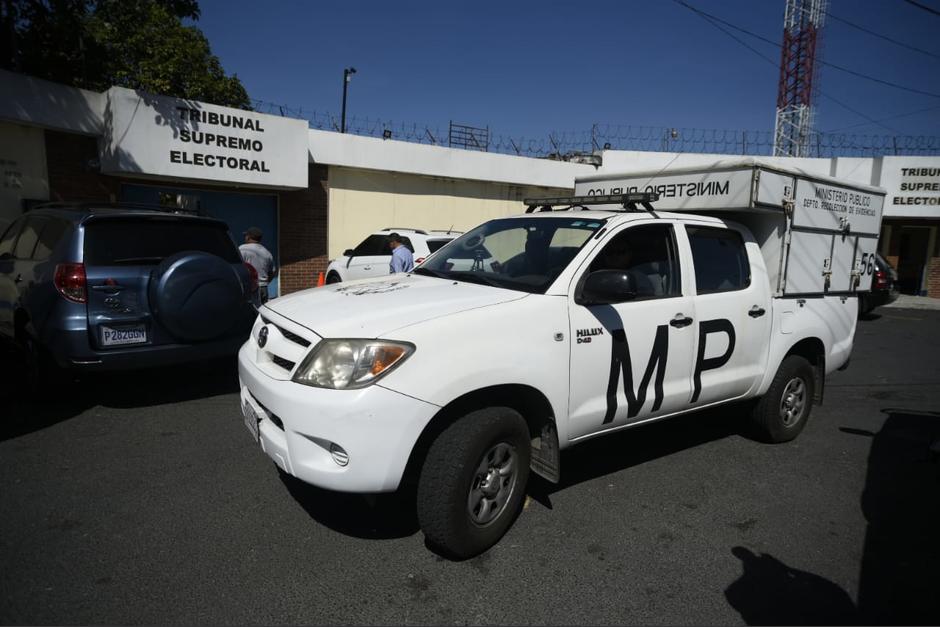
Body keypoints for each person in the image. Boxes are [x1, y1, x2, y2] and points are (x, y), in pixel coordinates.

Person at [240, 226, 277, 304]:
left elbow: (238, 268)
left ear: (248, 237)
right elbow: (272, 272)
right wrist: (264, 282)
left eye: (246, 235)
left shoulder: (242, 249)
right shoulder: (266, 252)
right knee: (262, 312)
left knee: (250, 313)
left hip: (250, 288)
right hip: (264, 288)